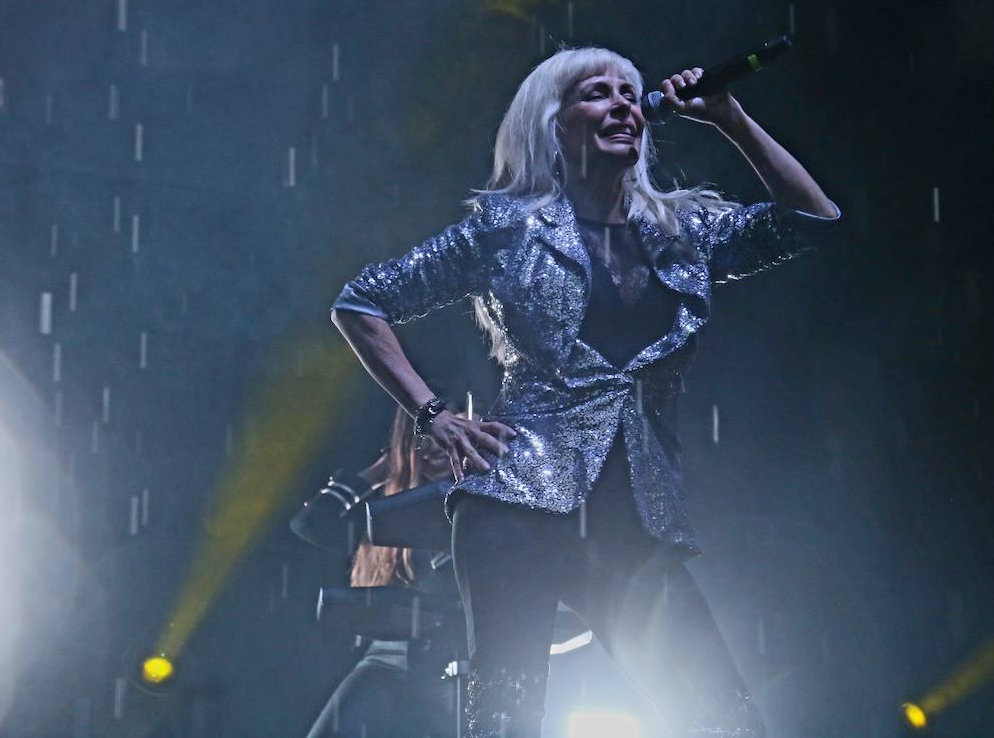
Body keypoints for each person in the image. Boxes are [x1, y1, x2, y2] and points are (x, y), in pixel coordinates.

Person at [331, 47, 840, 737]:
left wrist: (729, 118)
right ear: (553, 123)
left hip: (637, 517)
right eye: (596, 93)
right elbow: (362, 301)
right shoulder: (506, 228)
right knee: (507, 719)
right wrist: (434, 415)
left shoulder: (681, 230)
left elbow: (812, 222)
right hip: (517, 509)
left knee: (726, 720)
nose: (622, 104)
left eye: (631, 94)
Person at [300, 406, 461, 738]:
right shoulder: (385, 519)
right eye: (421, 441)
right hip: (390, 659)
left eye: (443, 440)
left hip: (460, 664)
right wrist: (385, 468)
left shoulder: (486, 504)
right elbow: (313, 522)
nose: (433, 450)